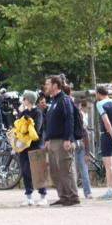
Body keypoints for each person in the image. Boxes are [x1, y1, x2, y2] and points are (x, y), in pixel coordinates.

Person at [43, 75, 80, 206]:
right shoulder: (53, 101)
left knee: (66, 170)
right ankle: (63, 196)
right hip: (53, 141)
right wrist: (47, 138)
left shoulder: (65, 100)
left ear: (54, 85)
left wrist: (67, 138)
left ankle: (73, 196)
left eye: (48, 84)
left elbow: (69, 119)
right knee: (55, 172)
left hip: (62, 141)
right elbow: (49, 122)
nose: (45, 86)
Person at [16, 91, 48, 207]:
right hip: (24, 146)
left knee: (38, 171)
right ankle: (29, 196)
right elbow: (17, 128)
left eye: (24, 98)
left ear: (28, 100)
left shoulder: (38, 113)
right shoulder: (23, 113)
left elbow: (37, 130)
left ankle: (43, 196)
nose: (23, 100)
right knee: (25, 171)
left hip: (36, 145)